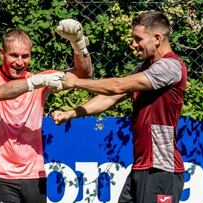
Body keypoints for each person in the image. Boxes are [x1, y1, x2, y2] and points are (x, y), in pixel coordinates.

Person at [52, 11, 186, 203]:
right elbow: (111, 96)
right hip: (141, 168)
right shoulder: (145, 68)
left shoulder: (170, 67)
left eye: (138, 38)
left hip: (161, 169)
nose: (133, 44)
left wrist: (75, 82)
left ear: (157, 38)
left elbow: (117, 85)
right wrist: (71, 113)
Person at [0, 19, 93, 203]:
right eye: (14, 55)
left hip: (35, 175)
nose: (20, 62)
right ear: (2, 54)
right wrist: (34, 83)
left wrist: (78, 44)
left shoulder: (40, 80)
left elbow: (83, 75)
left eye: (25, 56)